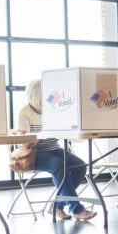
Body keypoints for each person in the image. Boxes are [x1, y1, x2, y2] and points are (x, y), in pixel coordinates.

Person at [16, 80, 96, 221]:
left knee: (80, 166)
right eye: (41, 100)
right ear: (33, 98)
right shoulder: (24, 112)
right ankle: (76, 209)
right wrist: (39, 136)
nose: (45, 103)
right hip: (34, 153)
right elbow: (22, 140)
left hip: (53, 149)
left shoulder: (53, 109)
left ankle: (57, 205)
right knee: (58, 165)